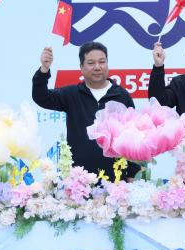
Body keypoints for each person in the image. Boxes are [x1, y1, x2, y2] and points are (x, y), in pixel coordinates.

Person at [32, 42, 139, 179]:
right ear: (81, 67)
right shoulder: (71, 94)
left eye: (102, 62)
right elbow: (41, 97)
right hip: (79, 181)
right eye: (91, 63)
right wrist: (44, 69)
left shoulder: (122, 96)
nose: (97, 67)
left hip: (116, 181)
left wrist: (132, 175)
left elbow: (132, 137)